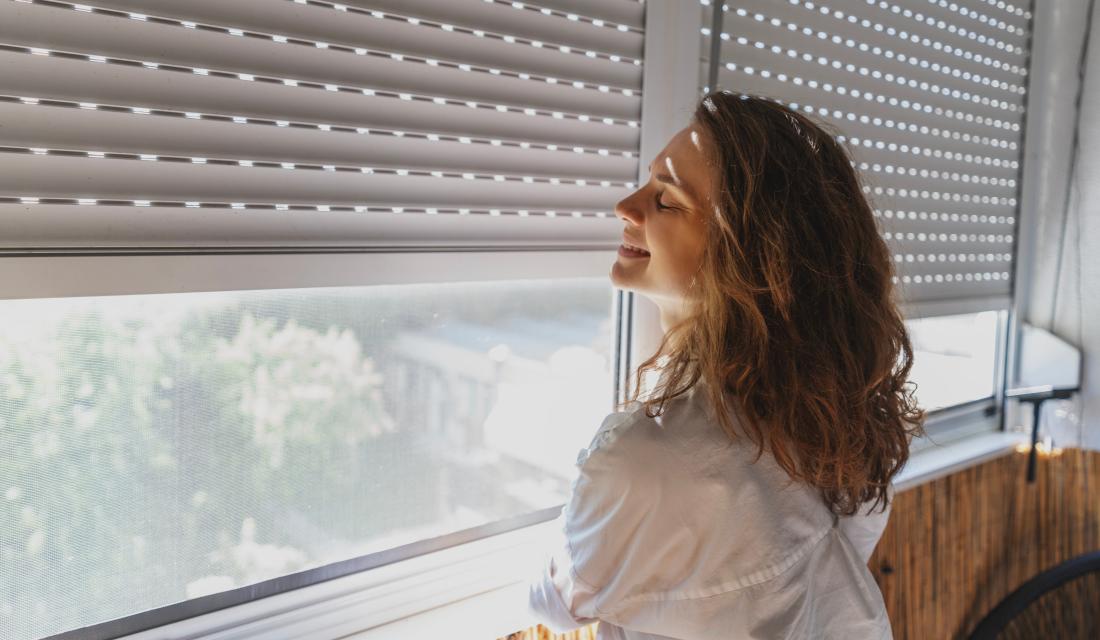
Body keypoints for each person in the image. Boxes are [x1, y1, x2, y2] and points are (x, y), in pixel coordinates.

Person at [526, 90, 927, 639]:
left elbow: (554, 600)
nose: (627, 206)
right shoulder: (839, 414)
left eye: (666, 200)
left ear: (751, 255)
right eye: (647, 182)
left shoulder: (647, 458)